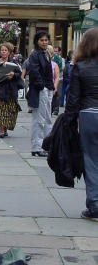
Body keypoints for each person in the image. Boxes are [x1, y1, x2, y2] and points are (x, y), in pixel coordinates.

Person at [65, 27, 98, 221]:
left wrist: (68, 122)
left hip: (89, 114)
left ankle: (95, 205)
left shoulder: (80, 66)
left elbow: (73, 99)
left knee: (92, 161)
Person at [27, 31, 54, 157]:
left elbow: (49, 71)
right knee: (39, 119)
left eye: (46, 40)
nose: (44, 42)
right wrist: (41, 86)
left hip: (47, 88)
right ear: (37, 41)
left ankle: (46, 145)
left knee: (48, 118)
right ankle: (37, 147)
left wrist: (50, 87)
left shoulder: (46, 53)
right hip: (40, 89)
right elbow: (34, 71)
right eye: (42, 40)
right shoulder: (35, 55)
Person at [0, 42, 22, 138]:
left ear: (9, 52)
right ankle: (2, 130)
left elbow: (19, 74)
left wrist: (13, 75)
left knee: (8, 111)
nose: (3, 52)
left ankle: (5, 128)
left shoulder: (13, 62)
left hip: (10, 90)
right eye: (2, 50)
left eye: (5, 50)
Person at [47, 45, 60, 116]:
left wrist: (55, 87)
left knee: (49, 107)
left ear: (52, 55)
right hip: (42, 88)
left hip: (51, 88)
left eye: (49, 53)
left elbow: (57, 77)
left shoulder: (54, 65)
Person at [52, 46, 64, 115]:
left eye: (56, 51)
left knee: (58, 94)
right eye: (54, 51)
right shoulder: (52, 58)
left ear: (59, 52)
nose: (55, 53)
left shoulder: (61, 60)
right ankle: (52, 108)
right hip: (52, 79)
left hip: (60, 79)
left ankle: (56, 109)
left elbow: (62, 68)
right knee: (52, 94)